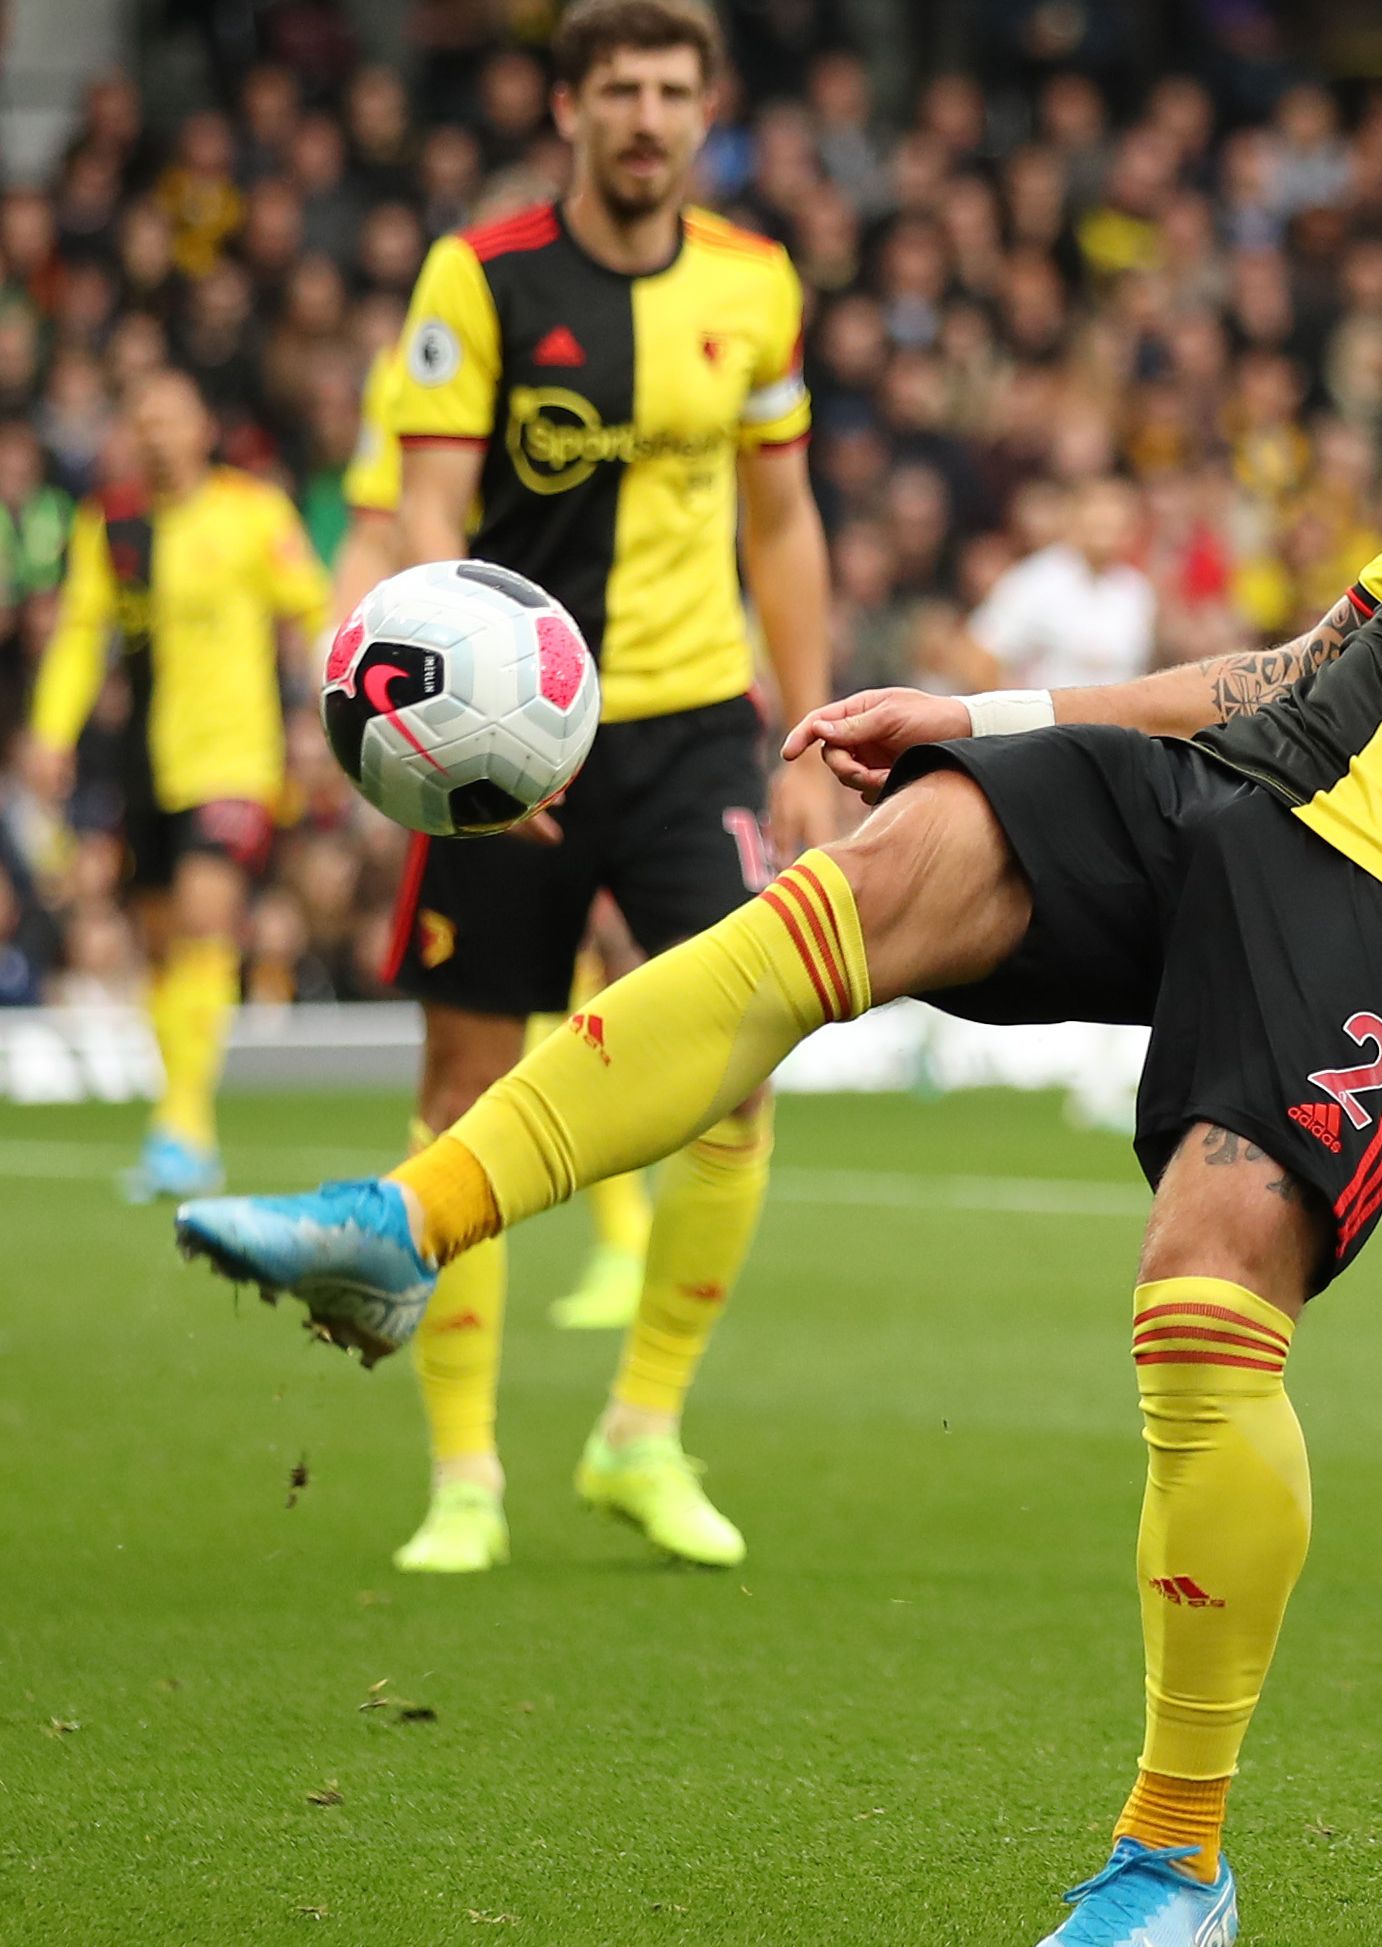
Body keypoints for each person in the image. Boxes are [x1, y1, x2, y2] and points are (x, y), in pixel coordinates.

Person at [184, 87, 1382, 1946]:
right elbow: (1291, 660)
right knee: (848, 890)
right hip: (1223, 793)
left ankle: (1175, 1862)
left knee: (1202, 1292)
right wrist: (985, 714)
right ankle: (406, 1226)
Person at [354, 0, 839, 1577]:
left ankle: (642, 1428)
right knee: (469, 1083)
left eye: (669, 90)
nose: (644, 116)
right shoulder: (478, 276)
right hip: (506, 736)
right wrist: (454, 750)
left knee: (743, 1065)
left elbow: (782, 521)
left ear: (705, 110)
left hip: (696, 721)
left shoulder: (754, 283)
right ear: (567, 105)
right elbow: (430, 509)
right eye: (615, 88)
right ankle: (464, 1471)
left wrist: (813, 723)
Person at [331, 223, 661, 1337]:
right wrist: (393, 698)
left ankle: (628, 1243)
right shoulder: (424, 369)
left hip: (617, 703)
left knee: (620, 981)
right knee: (516, 1028)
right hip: (490, 712)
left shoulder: (687, 315)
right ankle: (602, 1245)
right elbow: (392, 522)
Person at [21, 368, 326, 1198]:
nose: (155, 432)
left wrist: (320, 717)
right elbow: (84, 636)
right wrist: (51, 730)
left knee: (204, 913)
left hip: (235, 756)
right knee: (159, 941)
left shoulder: (252, 512)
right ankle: (184, 1121)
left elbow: (313, 608)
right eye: (142, 417)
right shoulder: (110, 524)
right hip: (145, 763)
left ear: (203, 429)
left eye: (171, 416)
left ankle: (182, 1123)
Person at [966, 475, 1159, 689]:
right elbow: (980, 659)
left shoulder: (1136, 590)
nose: (1107, 528)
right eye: (1098, 517)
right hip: (1050, 720)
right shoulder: (1034, 580)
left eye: (1116, 520)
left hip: (1116, 720)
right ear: (1073, 517)